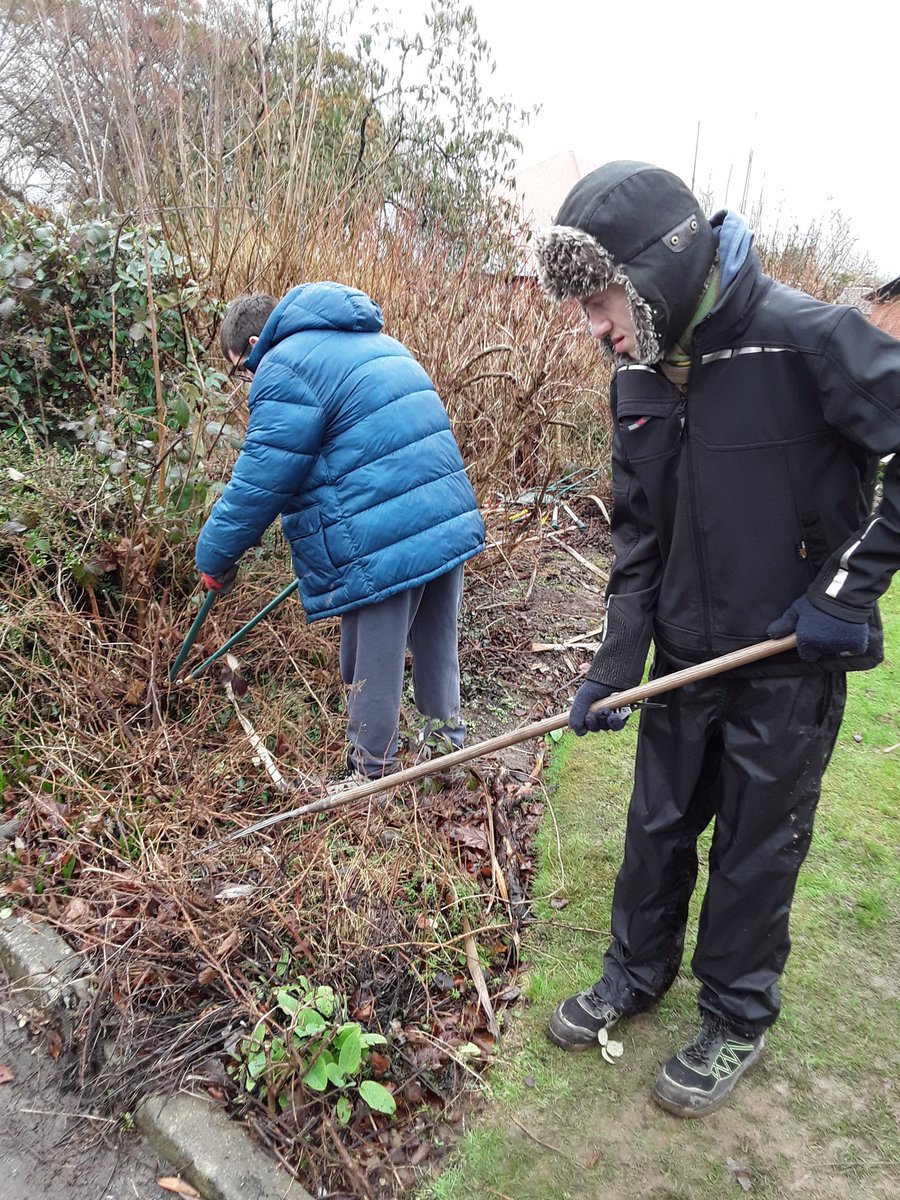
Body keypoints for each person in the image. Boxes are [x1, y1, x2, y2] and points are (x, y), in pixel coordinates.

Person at [533, 160, 899, 1118]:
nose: (596, 328)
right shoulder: (637, 378)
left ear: (656, 270)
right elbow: (639, 538)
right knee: (656, 826)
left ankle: (736, 1015)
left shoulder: (807, 339)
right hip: (683, 659)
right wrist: (618, 662)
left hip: (787, 659)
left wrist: (845, 590)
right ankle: (634, 972)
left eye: (601, 301)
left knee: (754, 849)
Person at [195, 283, 485, 782]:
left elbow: (260, 480)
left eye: (242, 368)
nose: (247, 380)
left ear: (256, 344)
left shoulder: (284, 366)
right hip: (444, 513)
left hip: (382, 531)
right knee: (436, 644)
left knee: (370, 661)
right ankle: (446, 759)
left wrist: (213, 555)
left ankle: (370, 782)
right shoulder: (378, 342)